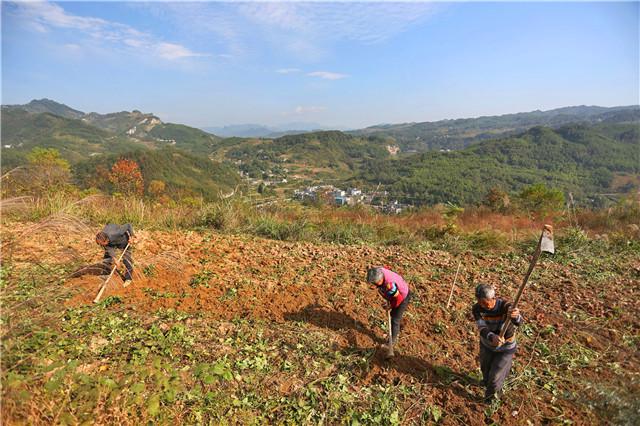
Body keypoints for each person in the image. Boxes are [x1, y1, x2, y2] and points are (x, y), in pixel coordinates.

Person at [472, 283, 523, 403]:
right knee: (485, 369)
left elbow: (519, 322)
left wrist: (515, 316)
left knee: (495, 377)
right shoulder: (477, 308)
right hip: (487, 344)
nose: (482, 305)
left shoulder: (506, 306)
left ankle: (490, 399)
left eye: (485, 302)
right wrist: (491, 337)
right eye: (479, 302)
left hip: (505, 348)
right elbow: (481, 327)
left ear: (493, 298)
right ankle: (486, 382)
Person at [366, 266, 412, 349]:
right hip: (396, 292)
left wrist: (390, 306)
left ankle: (391, 343)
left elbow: (398, 299)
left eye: (374, 282)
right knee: (393, 314)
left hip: (403, 296)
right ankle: (397, 327)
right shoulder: (379, 270)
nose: (374, 284)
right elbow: (387, 267)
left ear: (380, 280)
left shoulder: (390, 286)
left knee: (395, 319)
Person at [95, 223, 135, 287]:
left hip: (123, 241)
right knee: (107, 258)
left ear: (106, 241)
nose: (101, 246)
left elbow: (128, 225)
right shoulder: (102, 237)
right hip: (111, 242)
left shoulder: (117, 233)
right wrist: (114, 258)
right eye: (100, 245)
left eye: (102, 244)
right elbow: (108, 248)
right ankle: (106, 274)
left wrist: (131, 236)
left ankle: (128, 279)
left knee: (126, 259)